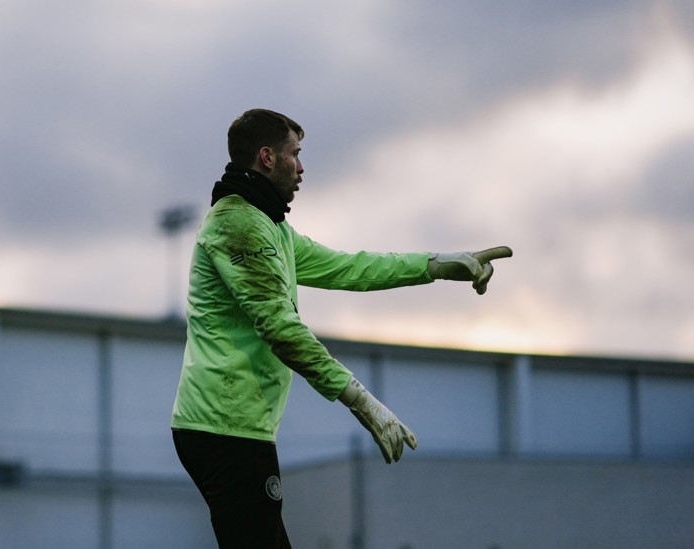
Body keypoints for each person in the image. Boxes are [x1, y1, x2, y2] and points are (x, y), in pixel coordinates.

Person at [170, 108, 512, 548]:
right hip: (223, 429)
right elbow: (281, 329)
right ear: (267, 158)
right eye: (296, 154)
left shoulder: (271, 227)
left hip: (234, 428)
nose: (302, 166)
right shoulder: (237, 225)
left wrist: (435, 265)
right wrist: (361, 402)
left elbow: (351, 267)